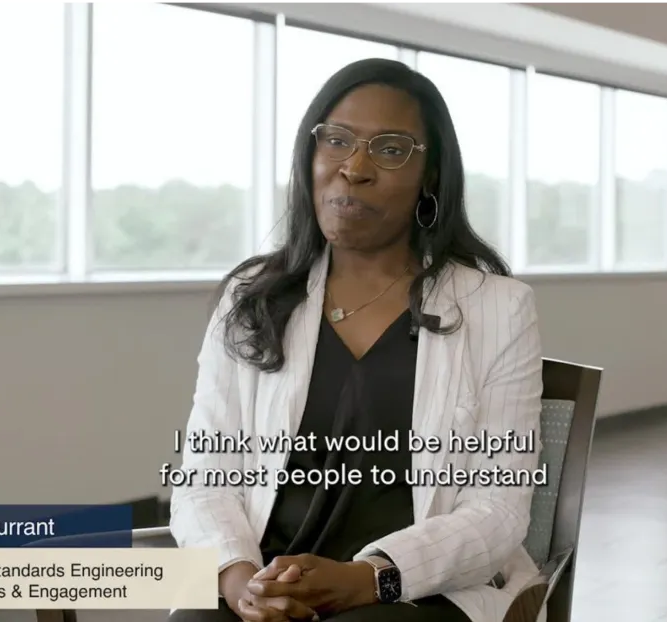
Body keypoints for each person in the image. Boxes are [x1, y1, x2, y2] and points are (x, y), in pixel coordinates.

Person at [168, 57, 545, 622]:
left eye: (390, 149)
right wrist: (241, 583)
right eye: (337, 141)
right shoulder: (253, 299)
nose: (354, 168)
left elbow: (499, 506)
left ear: (432, 175)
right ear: (310, 157)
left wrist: (367, 578)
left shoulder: (497, 308)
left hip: (413, 590)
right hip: (267, 578)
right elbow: (204, 475)